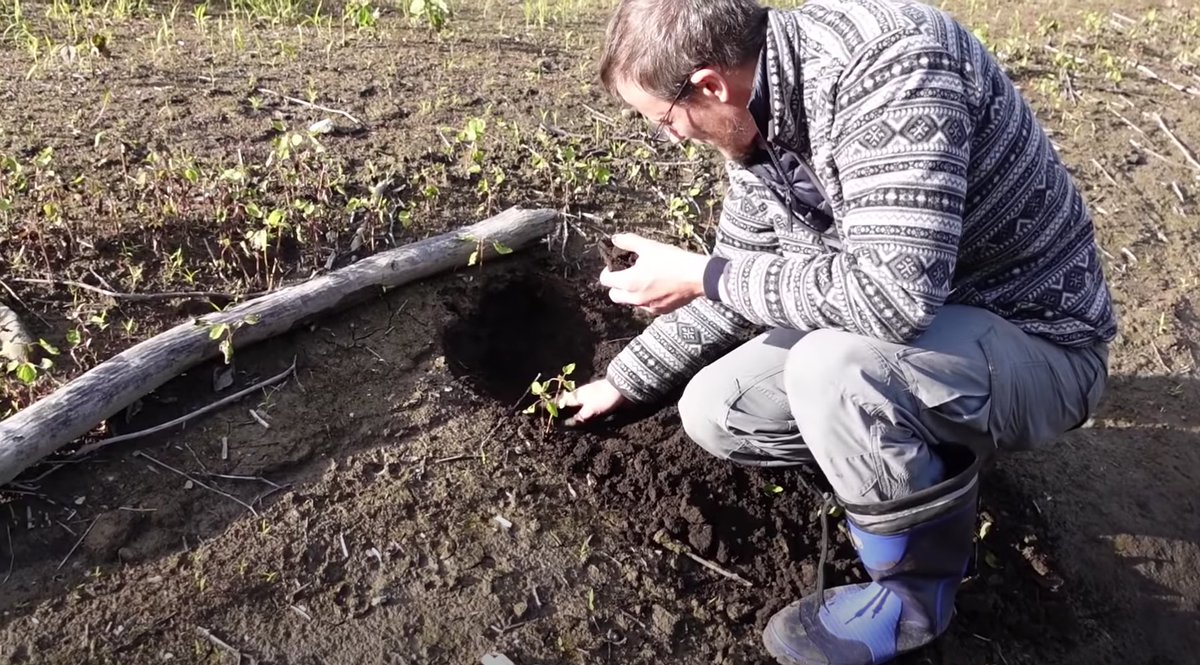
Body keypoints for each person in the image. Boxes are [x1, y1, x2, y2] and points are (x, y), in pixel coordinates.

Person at [555, 0, 1118, 663]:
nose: (673, 136)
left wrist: (705, 274)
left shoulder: (893, 69)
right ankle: (916, 469)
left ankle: (915, 599)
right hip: (928, 336)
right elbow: (736, 285)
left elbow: (892, 298)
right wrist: (624, 378)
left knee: (829, 368)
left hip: (1040, 341)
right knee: (716, 410)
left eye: (663, 118)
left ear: (709, 84)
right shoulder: (759, 117)